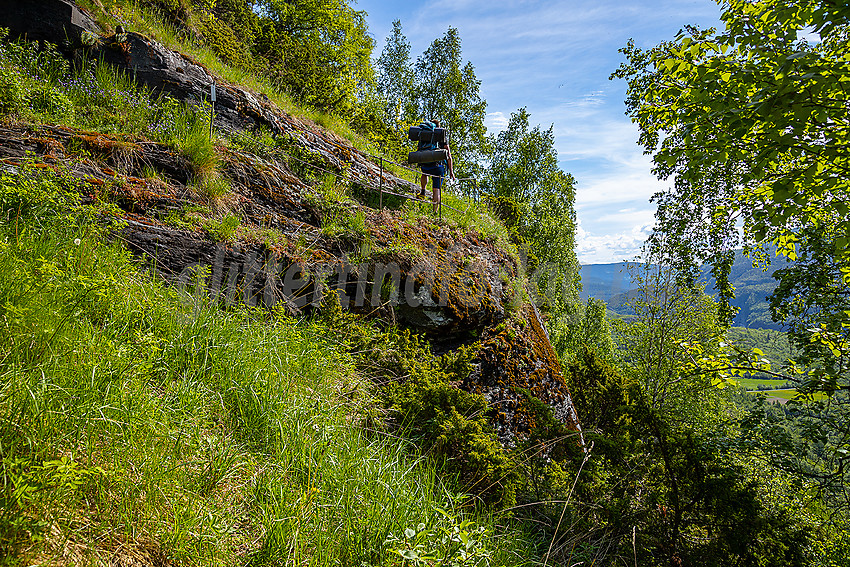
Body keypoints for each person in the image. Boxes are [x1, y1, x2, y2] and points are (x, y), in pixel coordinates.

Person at [418, 119, 455, 213]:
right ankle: (434, 212)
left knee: (424, 174)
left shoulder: (424, 134)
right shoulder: (441, 136)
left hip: (425, 162)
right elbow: (448, 155)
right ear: (439, 127)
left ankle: (423, 191)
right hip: (438, 166)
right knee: (436, 189)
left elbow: (419, 148)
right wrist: (451, 171)